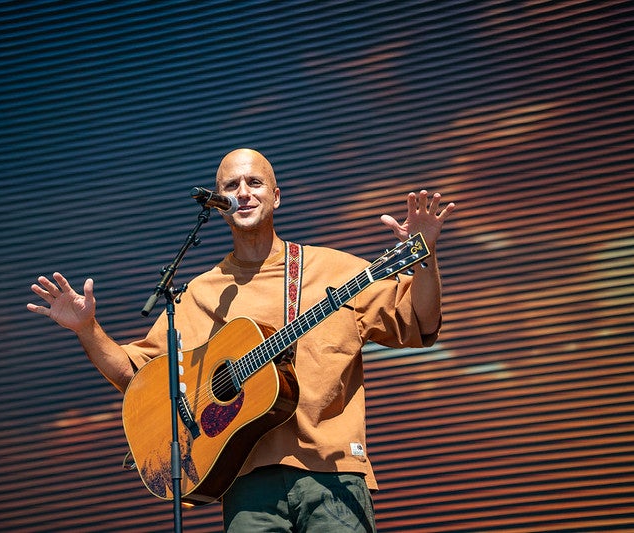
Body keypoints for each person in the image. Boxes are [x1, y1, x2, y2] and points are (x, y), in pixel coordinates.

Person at [28, 148, 455, 532]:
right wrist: (88, 328)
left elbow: (420, 322)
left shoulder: (338, 270)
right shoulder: (199, 293)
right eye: (231, 186)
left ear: (276, 196)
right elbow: (136, 377)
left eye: (254, 183)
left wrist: (426, 255)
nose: (244, 193)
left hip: (333, 474)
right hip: (246, 484)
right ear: (218, 205)